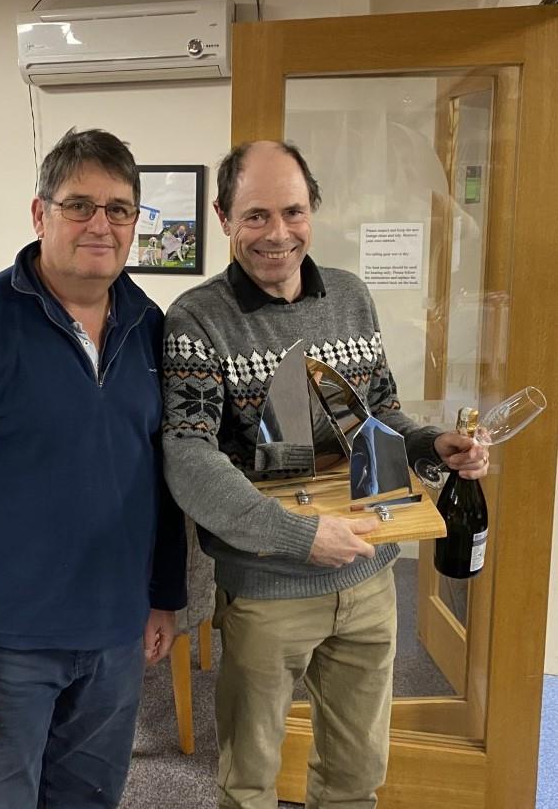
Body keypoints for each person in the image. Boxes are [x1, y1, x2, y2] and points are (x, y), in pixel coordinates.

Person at [161, 140, 488, 809]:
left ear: (312, 211)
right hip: (267, 588)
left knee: (354, 776)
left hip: (368, 578)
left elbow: (379, 414)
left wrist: (434, 445)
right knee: (248, 780)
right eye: (255, 215)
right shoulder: (196, 318)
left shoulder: (350, 295)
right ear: (223, 217)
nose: (276, 233)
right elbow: (188, 458)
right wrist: (296, 534)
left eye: (291, 211)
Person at [0, 128, 186, 809]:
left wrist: (163, 593)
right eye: (79, 204)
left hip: (114, 635)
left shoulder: (151, 326)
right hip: (4, 644)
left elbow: (168, 472)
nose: (100, 223)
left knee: (88, 799)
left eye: (119, 209)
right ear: (39, 214)